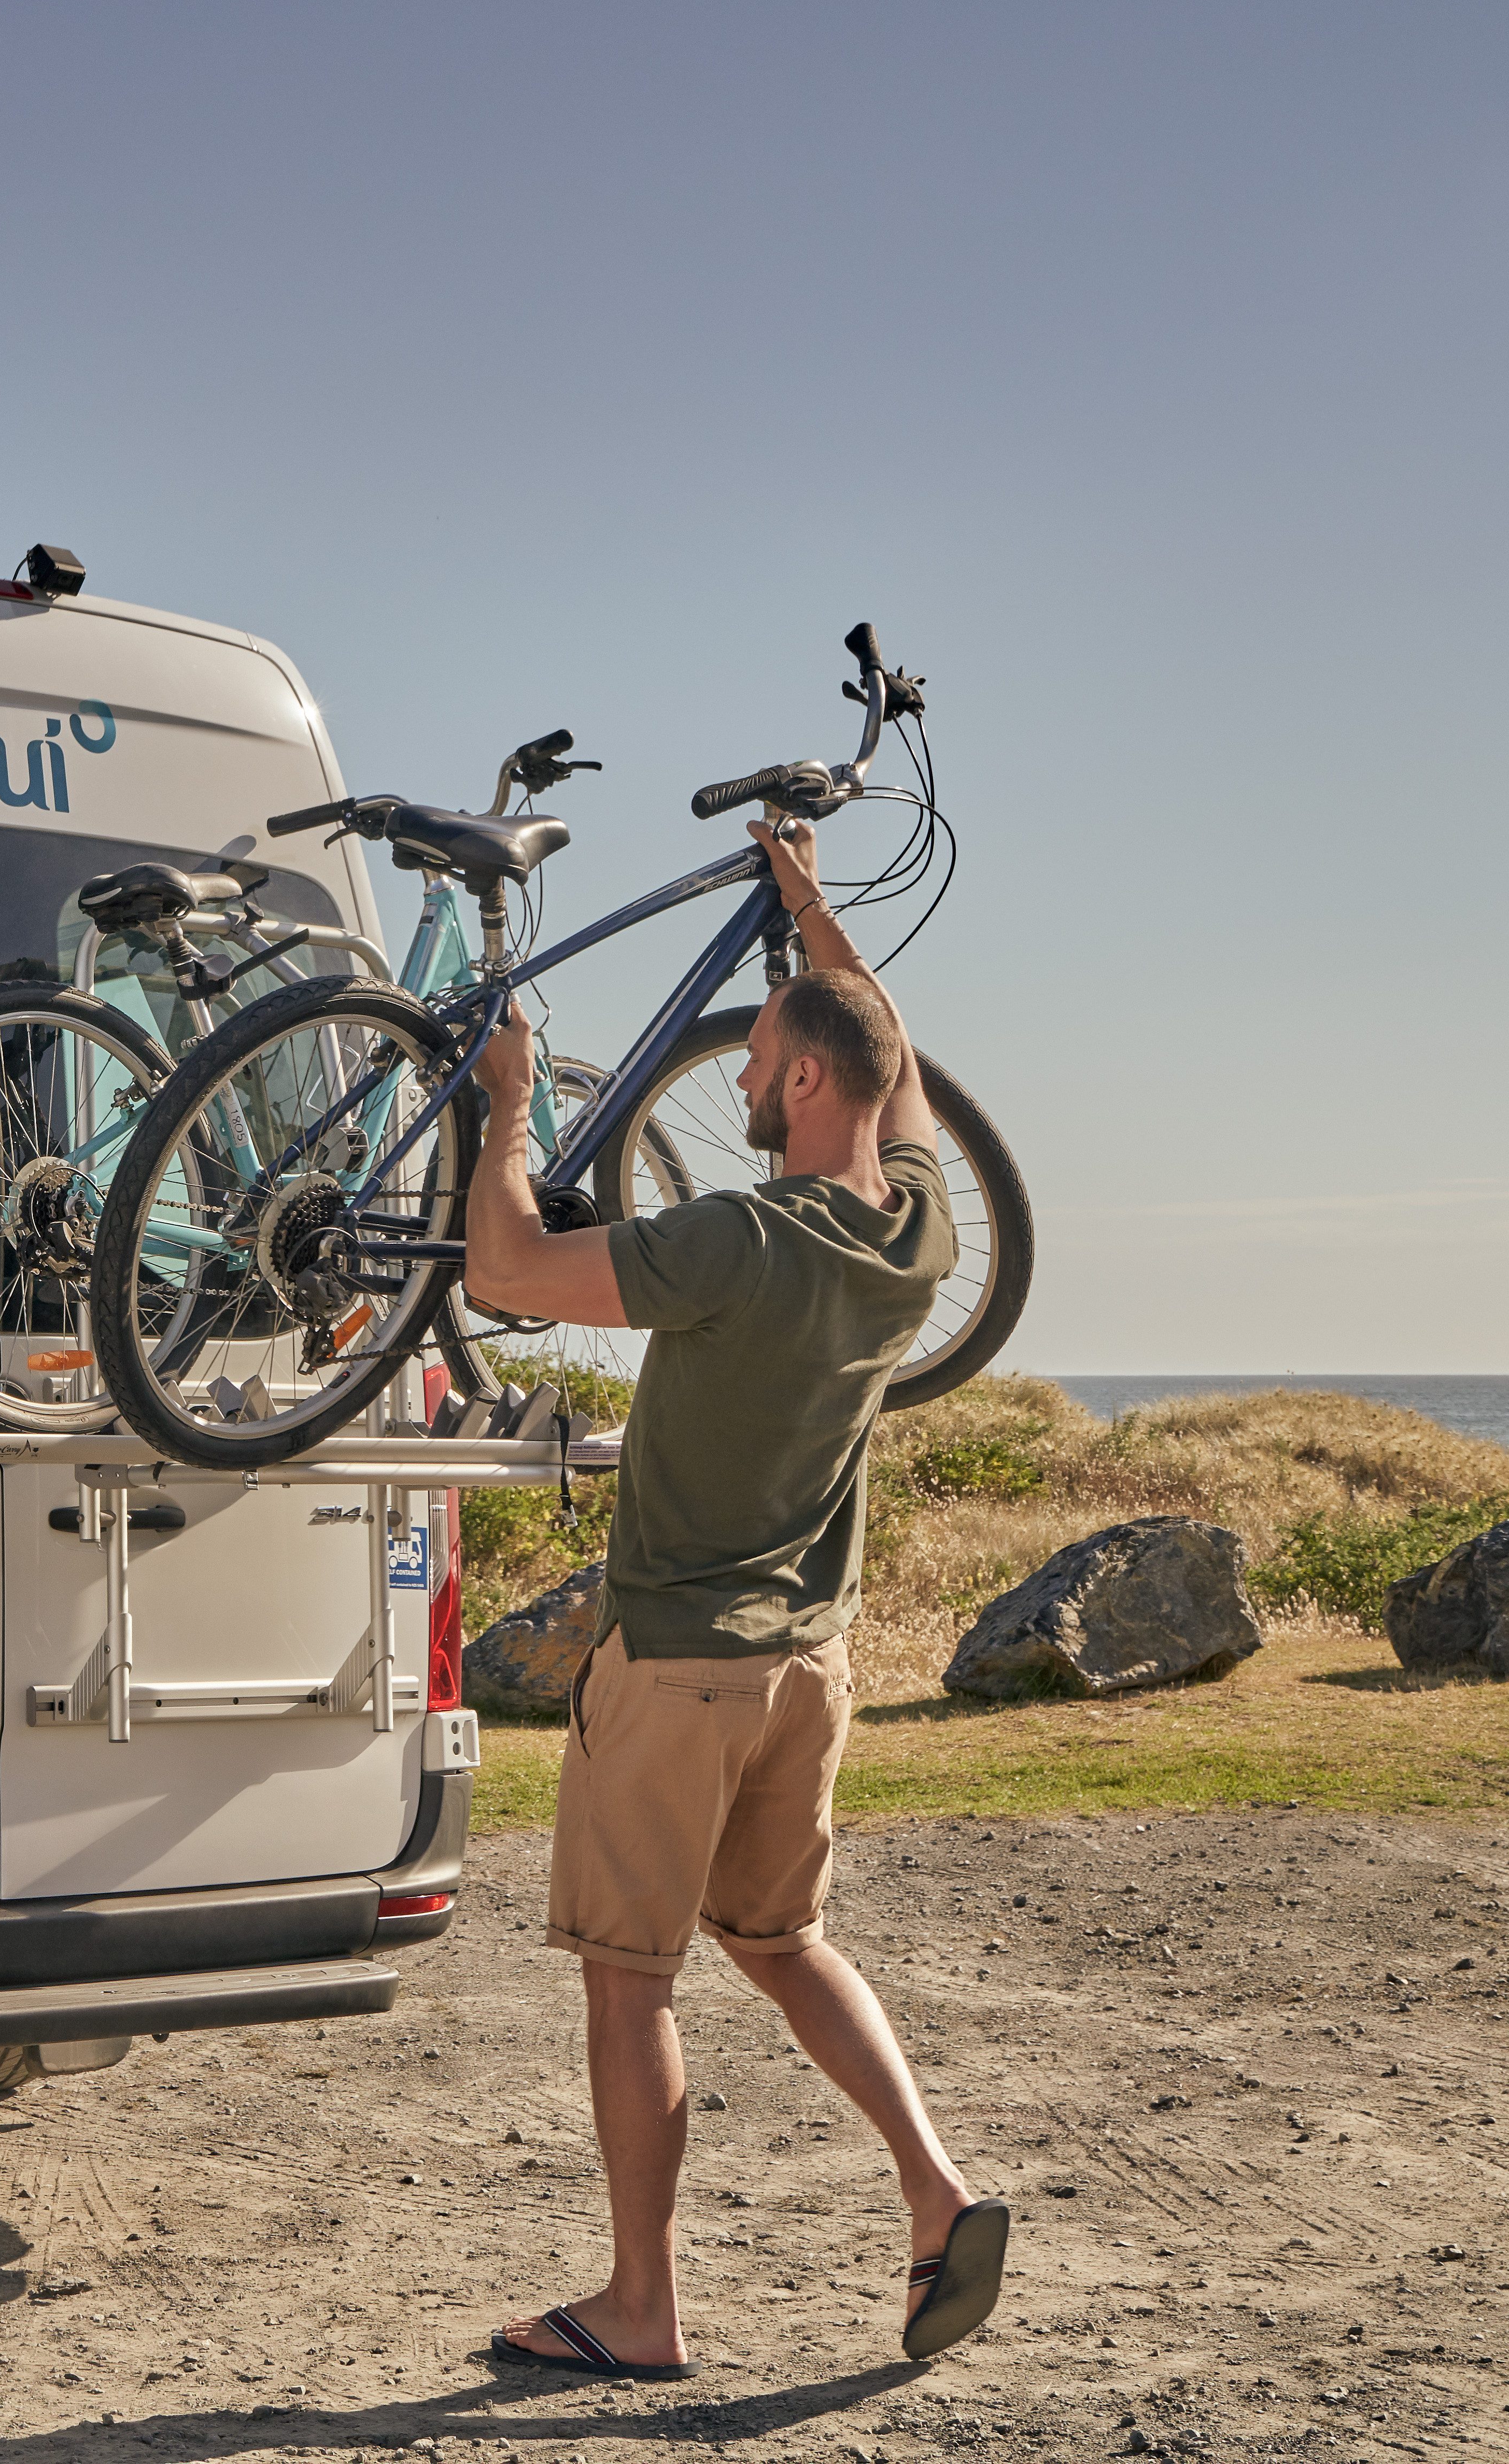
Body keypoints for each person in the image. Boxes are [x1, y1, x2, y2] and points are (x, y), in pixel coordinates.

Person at [460, 811, 1009, 2380]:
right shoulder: (915, 1230)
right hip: (805, 1674)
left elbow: (507, 1271)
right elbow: (896, 1065)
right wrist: (814, 911)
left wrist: (506, 1110)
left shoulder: (732, 1240)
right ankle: (936, 2192)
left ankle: (640, 2309)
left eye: (763, 1054)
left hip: (678, 1675)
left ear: (802, 1083)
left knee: (632, 1981)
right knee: (780, 1939)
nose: (746, 1075)